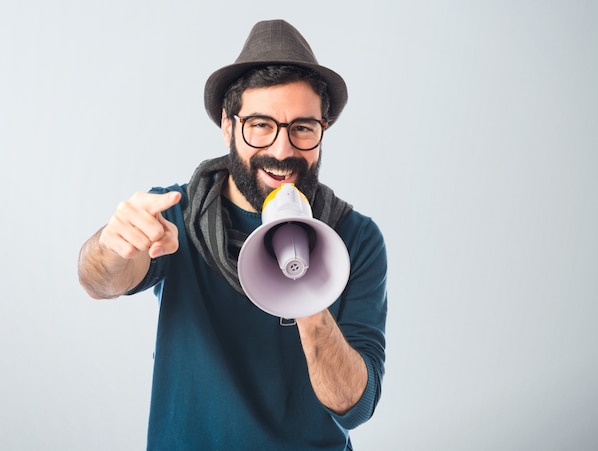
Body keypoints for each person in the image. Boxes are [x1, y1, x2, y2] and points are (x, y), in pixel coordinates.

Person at [78, 19, 387, 450]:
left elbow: (355, 405)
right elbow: (98, 281)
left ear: (322, 131)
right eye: (260, 125)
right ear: (228, 124)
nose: (282, 151)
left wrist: (307, 291)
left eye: (302, 127)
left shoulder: (356, 238)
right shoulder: (176, 214)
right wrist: (112, 244)